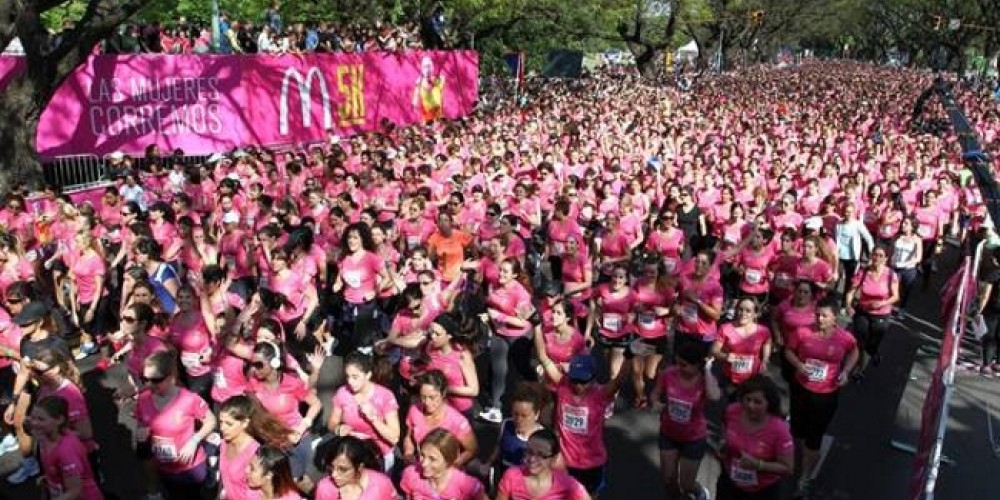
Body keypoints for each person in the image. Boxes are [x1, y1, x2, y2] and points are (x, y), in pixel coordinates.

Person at [784, 298, 859, 497]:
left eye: (824, 315)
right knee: (798, 431)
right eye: (817, 314)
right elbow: (788, 351)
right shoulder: (802, 332)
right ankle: (797, 457)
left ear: (835, 317)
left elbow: (854, 351)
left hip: (826, 394)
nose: (819, 318)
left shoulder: (844, 337)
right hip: (801, 389)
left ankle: (805, 477)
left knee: (814, 436)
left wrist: (846, 371)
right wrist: (799, 365)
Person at [539, 353, 630, 495]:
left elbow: (619, 381)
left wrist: (628, 357)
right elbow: (544, 359)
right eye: (574, 380)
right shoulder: (563, 387)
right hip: (564, 461)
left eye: (584, 381)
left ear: (593, 378)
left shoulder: (601, 394)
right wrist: (537, 329)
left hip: (592, 463)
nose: (578, 385)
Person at [134, 349, 217, 499]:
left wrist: (194, 441)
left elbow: (211, 421)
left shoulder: (189, 399)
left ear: (171, 378)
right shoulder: (143, 399)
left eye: (156, 380)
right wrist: (140, 433)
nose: (149, 384)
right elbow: (141, 422)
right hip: (164, 467)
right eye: (144, 379)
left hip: (190, 467)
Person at [649, 344, 720, 499]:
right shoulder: (669, 374)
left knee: (687, 484)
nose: (679, 367)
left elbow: (714, 396)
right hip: (668, 433)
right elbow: (656, 393)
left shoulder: (705, 380)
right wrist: (655, 402)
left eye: (684, 365)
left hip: (693, 438)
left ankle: (699, 491)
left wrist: (707, 370)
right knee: (668, 479)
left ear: (698, 365)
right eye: (678, 362)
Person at [247, 340, 322, 481]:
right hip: (273, 444)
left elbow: (316, 404)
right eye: (252, 364)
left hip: (297, 441)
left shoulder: (292, 383)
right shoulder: (252, 384)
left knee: (303, 482)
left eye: (259, 365)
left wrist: (301, 428)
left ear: (274, 363)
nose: (254, 369)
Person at [716, 375, 794, 500]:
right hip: (729, 483)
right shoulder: (732, 411)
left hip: (761, 491)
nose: (751, 405)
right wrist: (723, 445)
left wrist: (758, 465)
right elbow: (724, 429)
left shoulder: (780, 430)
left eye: (757, 402)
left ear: (769, 403)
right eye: (747, 399)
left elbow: (787, 468)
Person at [327, 351, 401, 471]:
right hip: (352, 451)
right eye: (347, 376)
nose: (350, 382)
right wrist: (338, 429)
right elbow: (332, 422)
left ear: (368, 375)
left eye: (355, 377)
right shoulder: (342, 392)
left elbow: (394, 437)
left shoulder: (385, 396)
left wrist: (373, 418)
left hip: (378, 453)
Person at [218, 394, 294, 500]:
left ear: (245, 423)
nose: (222, 428)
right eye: (221, 422)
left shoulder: (254, 453)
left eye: (229, 424)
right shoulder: (224, 444)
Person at [31, 396, 104, 500]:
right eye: (33, 417)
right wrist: (50, 479)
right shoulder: (45, 436)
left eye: (41, 419)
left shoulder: (66, 452)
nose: (34, 423)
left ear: (59, 420)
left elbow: (75, 492)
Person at [844, 245, 899, 378]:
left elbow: (896, 296)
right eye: (875, 255)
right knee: (860, 341)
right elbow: (850, 291)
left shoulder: (891, 274)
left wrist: (882, 303)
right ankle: (859, 368)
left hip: (881, 314)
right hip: (863, 312)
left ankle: (874, 352)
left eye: (880, 256)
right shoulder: (863, 272)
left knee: (872, 344)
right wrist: (848, 306)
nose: (877, 258)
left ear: (886, 259)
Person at [403, 370, 478, 466]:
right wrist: (408, 453)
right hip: (421, 467)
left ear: (443, 393)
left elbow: (472, 449)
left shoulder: (457, 420)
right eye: (423, 397)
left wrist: (451, 466)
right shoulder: (414, 411)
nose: (427, 402)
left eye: (432, 397)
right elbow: (409, 437)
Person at [496, 428, 591, 500]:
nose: (532, 459)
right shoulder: (512, 476)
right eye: (529, 451)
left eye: (541, 455)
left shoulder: (567, 484)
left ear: (553, 459)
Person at [400, 428, 488, 500]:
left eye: (432, 459)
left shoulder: (466, 484)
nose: (424, 463)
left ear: (448, 461)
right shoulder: (411, 474)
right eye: (422, 455)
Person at [712, 297, 772, 390]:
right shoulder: (725, 328)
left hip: (753, 378)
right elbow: (714, 351)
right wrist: (725, 356)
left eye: (748, 311)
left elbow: (767, 343)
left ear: (755, 314)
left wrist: (765, 360)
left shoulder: (763, 331)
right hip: (728, 378)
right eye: (740, 309)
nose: (743, 313)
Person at [313, 436, 397, 499]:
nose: (334, 475)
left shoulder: (381, 484)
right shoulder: (325, 488)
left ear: (360, 467)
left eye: (343, 470)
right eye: (331, 467)